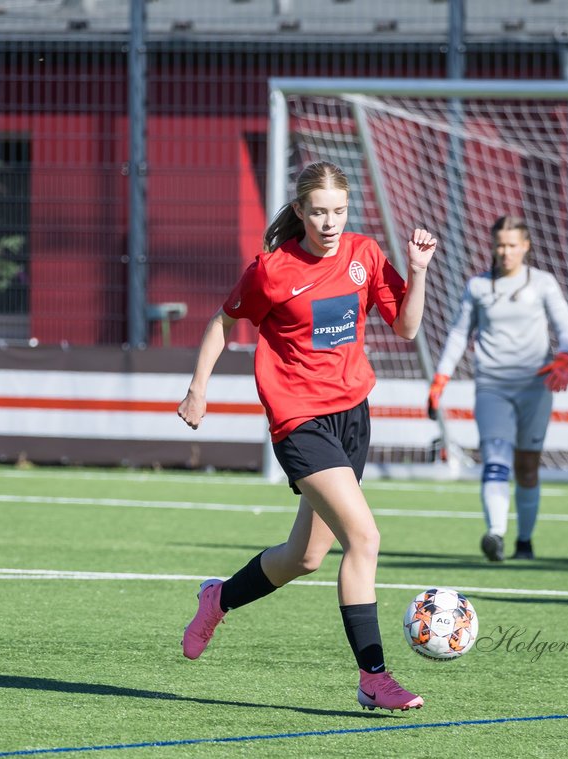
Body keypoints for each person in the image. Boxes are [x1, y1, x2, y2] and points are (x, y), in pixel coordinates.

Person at [177, 160, 438, 712]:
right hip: (299, 421)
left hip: (351, 417)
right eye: (318, 212)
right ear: (299, 211)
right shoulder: (271, 271)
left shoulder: (364, 255)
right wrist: (198, 387)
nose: (330, 223)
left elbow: (408, 327)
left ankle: (217, 597)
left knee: (305, 557)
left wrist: (417, 272)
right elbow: (224, 322)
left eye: (339, 211)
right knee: (363, 539)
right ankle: (374, 677)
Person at [426, 215, 568, 563]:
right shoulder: (478, 286)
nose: (505, 252)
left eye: (512, 245)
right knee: (495, 458)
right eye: (500, 245)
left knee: (527, 466)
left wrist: (565, 358)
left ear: (525, 246)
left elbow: (567, 328)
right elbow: (457, 334)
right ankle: (495, 534)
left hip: (534, 388)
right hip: (492, 387)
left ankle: (524, 542)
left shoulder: (543, 284)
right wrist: (441, 378)